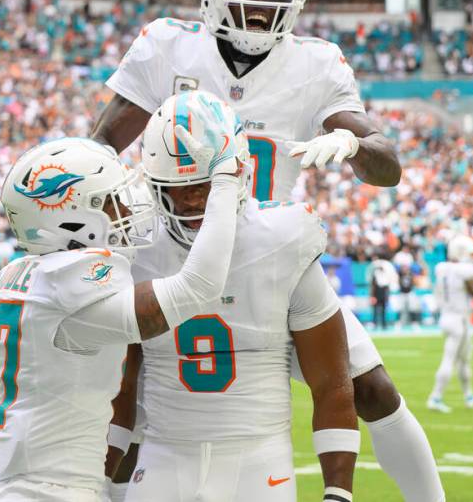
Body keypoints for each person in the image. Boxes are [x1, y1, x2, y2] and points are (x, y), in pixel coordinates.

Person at [92, 0, 442, 502]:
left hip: (266, 255)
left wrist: (355, 145)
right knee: (134, 398)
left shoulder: (317, 63)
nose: (258, 7)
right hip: (174, 248)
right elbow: (105, 143)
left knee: (372, 389)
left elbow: (388, 164)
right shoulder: (167, 45)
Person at [0, 96, 244, 502]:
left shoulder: (27, 275)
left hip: (20, 488)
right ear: (72, 218)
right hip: (48, 492)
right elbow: (198, 286)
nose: (126, 212)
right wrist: (223, 181)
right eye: (112, 203)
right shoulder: (70, 286)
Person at [107, 93, 358, 501]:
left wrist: (338, 493)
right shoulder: (139, 248)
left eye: (203, 183)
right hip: (164, 455)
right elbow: (120, 386)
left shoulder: (282, 240)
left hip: (258, 459)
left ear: (235, 175)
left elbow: (331, 382)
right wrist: (100, 481)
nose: (190, 198)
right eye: (177, 186)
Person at [427, 235, 473, 414]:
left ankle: (469, 395)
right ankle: (435, 397)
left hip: (447, 316)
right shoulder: (464, 270)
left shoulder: (442, 269)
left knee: (464, 358)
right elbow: (472, 288)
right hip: (459, 318)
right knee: (451, 359)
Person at [370, 255, 397, 330]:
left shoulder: (386, 275)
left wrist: (387, 296)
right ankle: (375, 323)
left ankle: (384, 324)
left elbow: (387, 287)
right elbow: (373, 285)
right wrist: (372, 296)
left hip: (383, 292)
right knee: (375, 310)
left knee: (384, 310)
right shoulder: (376, 274)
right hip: (377, 292)